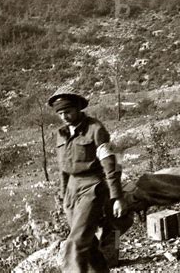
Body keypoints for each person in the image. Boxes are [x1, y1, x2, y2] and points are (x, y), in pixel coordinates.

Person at [48, 86, 128, 272]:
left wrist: (117, 197)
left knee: (75, 243)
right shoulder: (61, 134)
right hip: (71, 191)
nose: (64, 116)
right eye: (60, 113)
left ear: (77, 108)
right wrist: (63, 196)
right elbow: (63, 169)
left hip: (92, 187)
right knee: (88, 243)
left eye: (67, 111)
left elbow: (111, 165)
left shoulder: (95, 129)